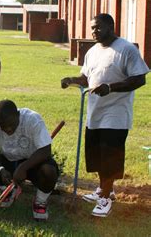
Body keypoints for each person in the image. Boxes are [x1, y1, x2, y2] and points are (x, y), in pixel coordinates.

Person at [61, 13, 149, 217]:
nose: (94, 31)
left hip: (116, 113)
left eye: (98, 27)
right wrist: (71, 80)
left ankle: (106, 198)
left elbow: (139, 79)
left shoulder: (126, 49)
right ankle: (103, 188)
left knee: (110, 155)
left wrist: (110, 88)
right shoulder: (92, 51)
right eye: (92, 28)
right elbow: (86, 78)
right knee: (98, 156)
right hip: (95, 113)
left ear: (111, 26)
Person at [0, 100, 59, 220]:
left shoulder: (32, 119)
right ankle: (9, 190)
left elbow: (45, 150)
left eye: (11, 124)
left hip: (32, 161)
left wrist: (24, 167)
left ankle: (40, 201)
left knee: (49, 171)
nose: (8, 129)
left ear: (17, 116)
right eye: (3, 126)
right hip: (8, 161)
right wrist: (1, 170)